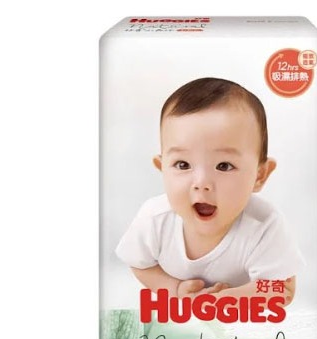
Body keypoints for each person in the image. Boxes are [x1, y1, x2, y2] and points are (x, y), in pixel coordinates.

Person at [116, 77, 304, 304]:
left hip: (242, 318)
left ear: (259, 175)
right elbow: (139, 263)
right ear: (162, 168)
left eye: (224, 166)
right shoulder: (155, 218)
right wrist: (174, 288)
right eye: (183, 165)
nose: (201, 183)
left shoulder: (264, 225)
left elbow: (283, 288)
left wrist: (225, 300)